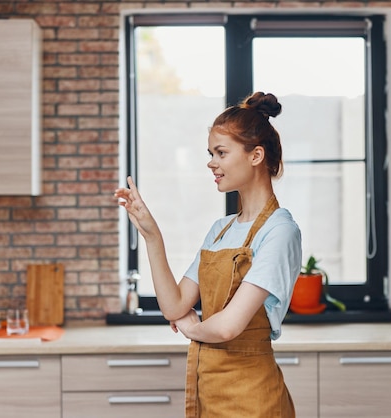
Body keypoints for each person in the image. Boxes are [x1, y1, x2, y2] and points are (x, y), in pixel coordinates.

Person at [114, 92, 302, 418]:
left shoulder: (279, 230)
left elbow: (228, 327)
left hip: (253, 399)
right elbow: (175, 305)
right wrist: (152, 235)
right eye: (211, 153)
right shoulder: (221, 228)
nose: (211, 162)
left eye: (221, 152)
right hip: (209, 392)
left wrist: (190, 328)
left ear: (256, 155)